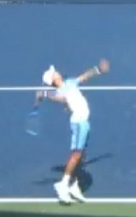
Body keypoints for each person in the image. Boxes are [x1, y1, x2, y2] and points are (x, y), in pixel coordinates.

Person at [36, 59, 110, 204]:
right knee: (76, 155)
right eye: (54, 73)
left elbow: (84, 76)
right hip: (79, 123)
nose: (57, 72)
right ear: (53, 79)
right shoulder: (59, 91)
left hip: (84, 122)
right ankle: (63, 185)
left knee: (81, 156)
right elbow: (58, 97)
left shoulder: (69, 82)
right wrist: (44, 94)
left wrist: (98, 70)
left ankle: (75, 186)